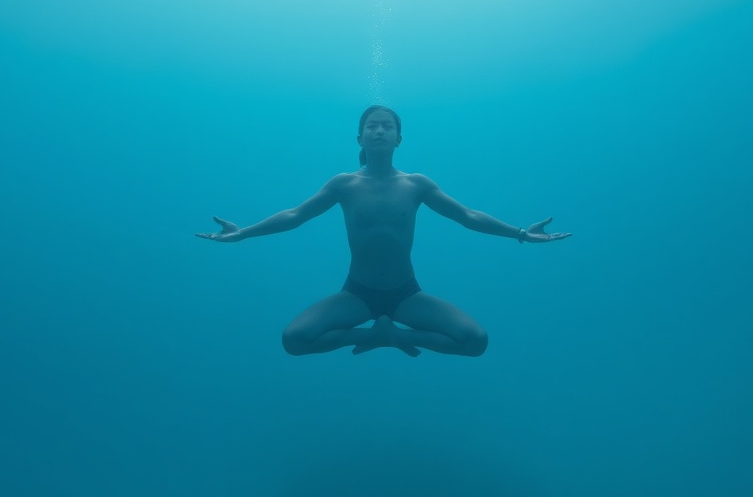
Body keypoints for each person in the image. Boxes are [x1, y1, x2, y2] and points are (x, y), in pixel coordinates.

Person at [197, 106, 571, 357]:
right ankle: (372, 336)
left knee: (475, 341)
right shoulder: (343, 184)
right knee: (294, 340)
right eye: (371, 126)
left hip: (406, 293)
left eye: (386, 126)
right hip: (356, 293)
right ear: (360, 138)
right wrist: (242, 233)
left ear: (398, 139)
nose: (379, 130)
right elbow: (295, 215)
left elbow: (467, 216)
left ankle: (396, 337)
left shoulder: (417, 184)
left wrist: (521, 233)